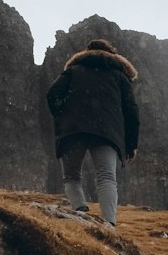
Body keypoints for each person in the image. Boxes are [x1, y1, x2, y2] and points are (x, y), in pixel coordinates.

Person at [45, 37, 139, 226]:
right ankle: (109, 224)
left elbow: (52, 94)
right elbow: (132, 111)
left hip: (73, 130)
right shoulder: (120, 76)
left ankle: (80, 211)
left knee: (71, 177)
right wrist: (131, 144)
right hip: (107, 132)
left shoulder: (74, 71)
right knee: (106, 177)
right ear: (113, 54)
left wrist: (63, 115)